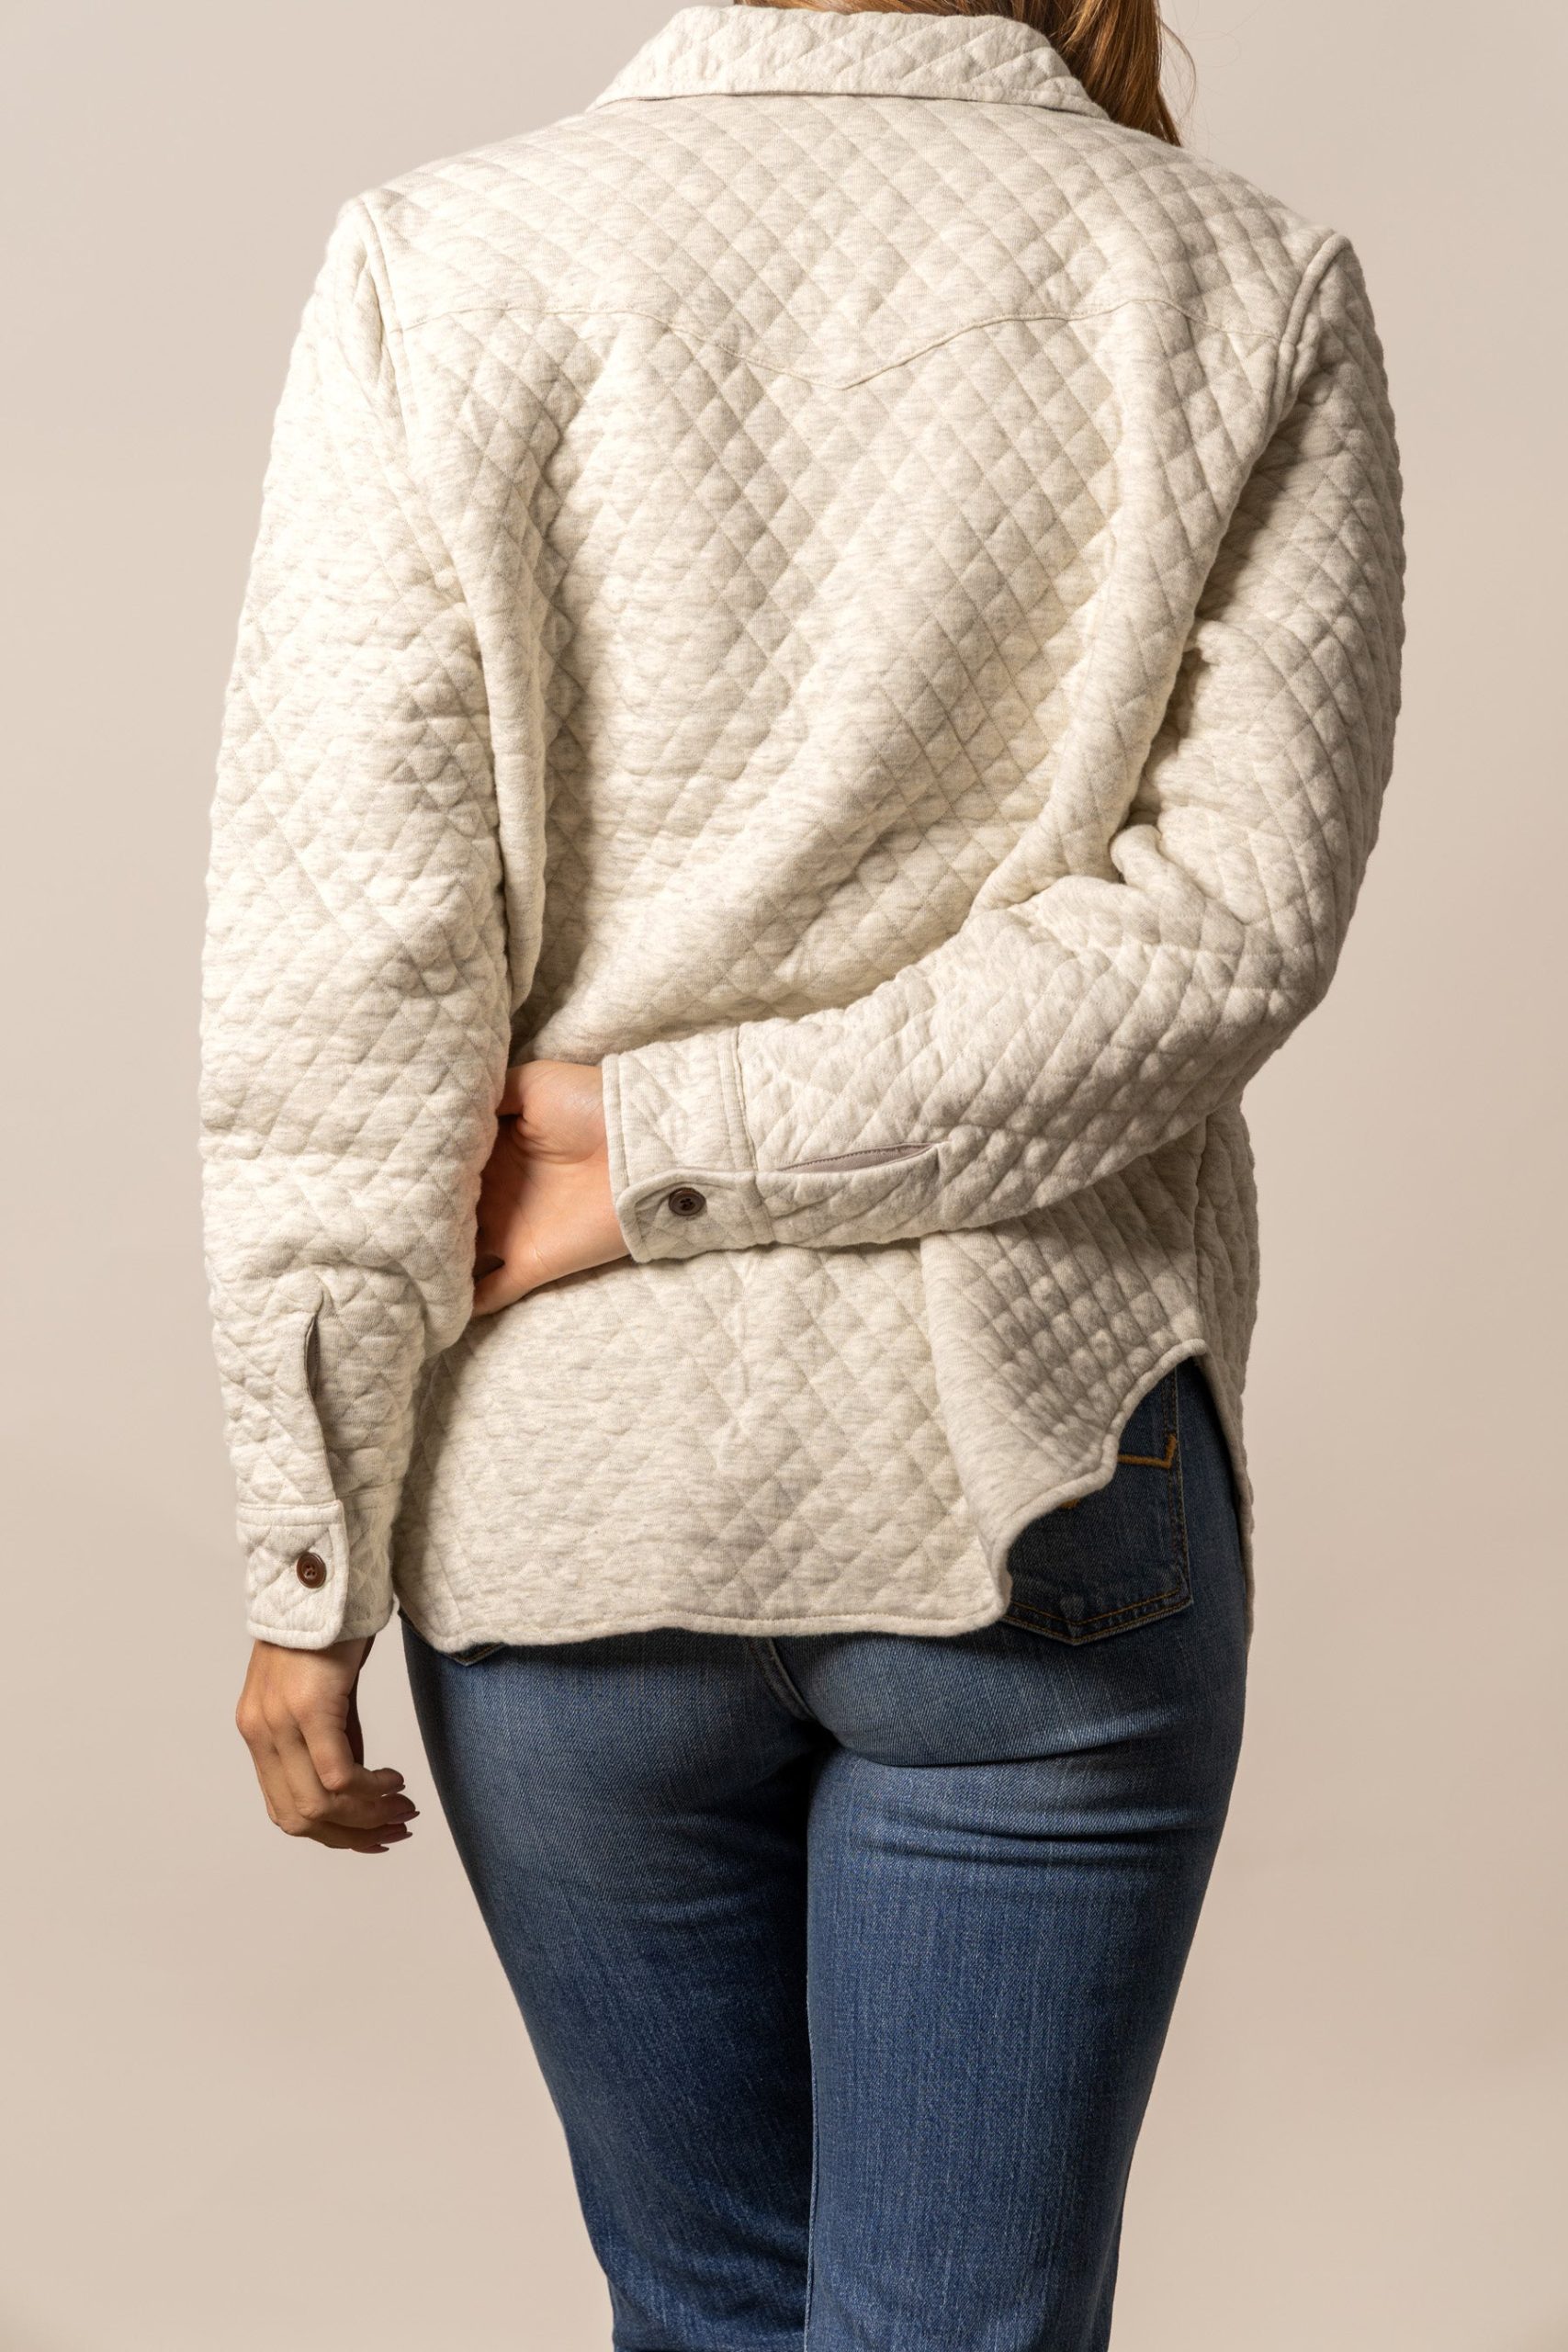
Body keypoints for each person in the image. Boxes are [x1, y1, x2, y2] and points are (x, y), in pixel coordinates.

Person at [201, 1, 1404, 2342]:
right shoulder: (1233, 273)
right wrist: (656, 1148)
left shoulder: (442, 261)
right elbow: (1217, 937)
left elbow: (341, 967)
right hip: (1032, 1465)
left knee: (704, 2306)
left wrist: (309, 1544)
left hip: (568, 1487)